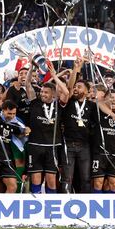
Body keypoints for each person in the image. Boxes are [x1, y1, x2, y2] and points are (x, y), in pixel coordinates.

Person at [25, 58, 69, 193]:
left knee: (51, 179)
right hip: (35, 145)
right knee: (36, 179)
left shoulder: (58, 105)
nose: (43, 94)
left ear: (53, 94)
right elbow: (27, 84)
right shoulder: (35, 102)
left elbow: (66, 93)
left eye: (46, 92)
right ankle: (35, 208)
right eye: (42, 92)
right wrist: (31, 67)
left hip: (53, 146)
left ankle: (51, 210)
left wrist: (55, 76)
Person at [61, 57, 96, 193]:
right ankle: (65, 204)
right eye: (75, 86)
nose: (76, 88)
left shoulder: (92, 106)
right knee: (67, 178)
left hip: (85, 146)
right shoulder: (69, 101)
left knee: (86, 178)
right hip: (68, 144)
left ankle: (86, 206)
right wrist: (76, 69)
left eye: (79, 87)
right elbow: (69, 87)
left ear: (87, 91)